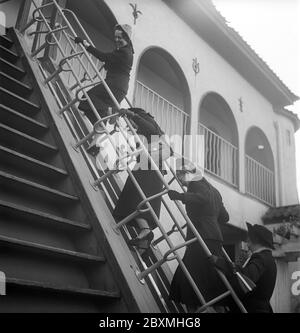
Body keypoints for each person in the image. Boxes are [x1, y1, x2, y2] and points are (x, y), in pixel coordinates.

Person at [167, 158, 230, 312]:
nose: (180, 181)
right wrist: (210, 217)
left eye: (180, 176)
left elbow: (202, 198)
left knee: (189, 277)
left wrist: (180, 196)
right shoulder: (214, 190)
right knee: (212, 279)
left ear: (188, 173)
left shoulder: (196, 184)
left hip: (201, 236)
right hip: (215, 238)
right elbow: (225, 217)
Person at [113, 107, 170, 251]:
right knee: (136, 196)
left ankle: (145, 233)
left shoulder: (146, 123)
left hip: (149, 168)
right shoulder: (146, 132)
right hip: (150, 167)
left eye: (130, 122)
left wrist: (132, 115)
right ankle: (143, 241)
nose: (130, 125)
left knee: (135, 196)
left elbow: (150, 130)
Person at [74, 24, 134, 154]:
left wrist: (85, 44)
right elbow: (112, 62)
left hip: (115, 84)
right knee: (95, 108)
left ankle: (107, 113)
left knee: (86, 98)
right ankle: (97, 141)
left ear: (127, 39)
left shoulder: (124, 52)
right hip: (120, 87)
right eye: (116, 37)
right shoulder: (126, 51)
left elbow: (103, 57)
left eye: (120, 38)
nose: (117, 40)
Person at [237, 223, 277, 313]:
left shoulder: (260, 258)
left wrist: (230, 267)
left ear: (255, 240)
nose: (247, 243)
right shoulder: (268, 258)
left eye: (249, 239)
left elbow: (247, 278)